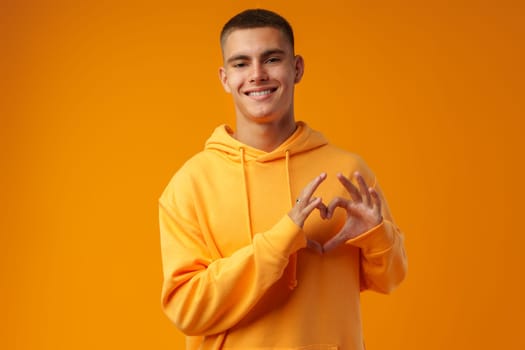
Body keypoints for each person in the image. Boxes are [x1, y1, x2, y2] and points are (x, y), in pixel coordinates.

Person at [159, 8, 407, 349]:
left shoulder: (348, 172)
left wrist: (376, 236)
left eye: (271, 59)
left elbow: (391, 278)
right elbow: (187, 310)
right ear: (224, 78)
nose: (257, 74)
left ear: (297, 68)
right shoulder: (191, 184)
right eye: (241, 63)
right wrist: (282, 240)